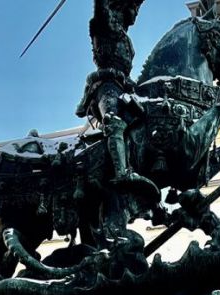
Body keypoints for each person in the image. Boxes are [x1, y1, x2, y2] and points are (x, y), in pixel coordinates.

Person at [76, 0, 156, 196]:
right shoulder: (104, 25)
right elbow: (100, 5)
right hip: (106, 87)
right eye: (133, 8)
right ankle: (121, 173)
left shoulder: (125, 39)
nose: (135, 13)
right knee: (114, 121)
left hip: (125, 88)